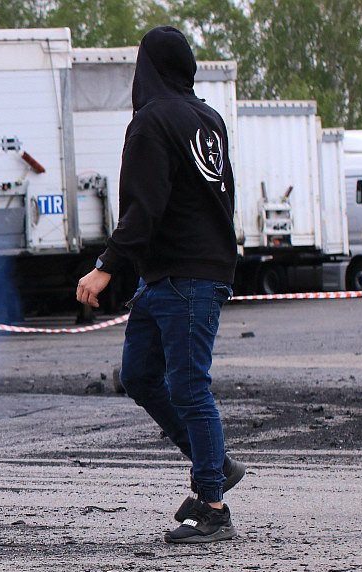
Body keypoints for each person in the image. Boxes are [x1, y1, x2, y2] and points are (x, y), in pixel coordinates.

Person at [76, 25, 245, 545]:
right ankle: (212, 461)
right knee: (141, 376)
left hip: (186, 276)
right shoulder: (207, 118)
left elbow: (142, 207)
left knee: (189, 386)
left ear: (145, 69)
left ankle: (213, 508)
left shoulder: (151, 122)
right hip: (174, 274)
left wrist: (105, 265)